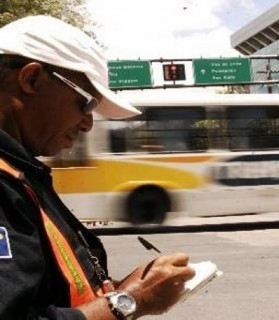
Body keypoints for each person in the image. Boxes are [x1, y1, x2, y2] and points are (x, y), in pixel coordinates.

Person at [0, 15, 195, 319]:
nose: (89, 123)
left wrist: (116, 290)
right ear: (32, 79)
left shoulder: (20, 172)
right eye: (86, 103)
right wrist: (131, 301)